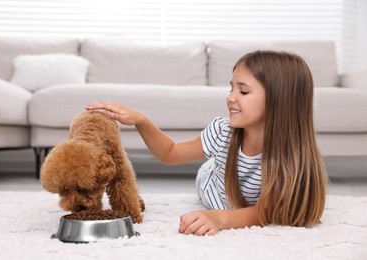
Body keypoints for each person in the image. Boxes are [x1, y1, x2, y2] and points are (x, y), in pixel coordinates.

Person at [85, 50, 328, 236]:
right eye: (231, 87)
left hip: (234, 197)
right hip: (211, 180)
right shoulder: (223, 131)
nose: (230, 97)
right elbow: (170, 153)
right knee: (209, 170)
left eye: (243, 91)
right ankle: (213, 168)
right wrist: (140, 120)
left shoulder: (294, 155)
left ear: (280, 101)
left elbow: (268, 212)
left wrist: (219, 219)